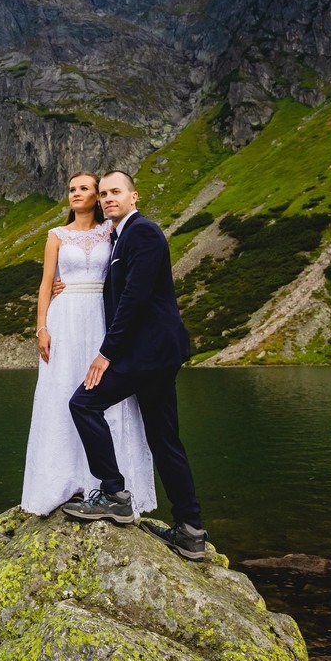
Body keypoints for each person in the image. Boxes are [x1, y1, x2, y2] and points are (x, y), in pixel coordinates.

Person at [61, 170, 210, 561]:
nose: (108, 198)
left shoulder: (141, 232)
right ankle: (190, 529)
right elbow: (113, 288)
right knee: (164, 438)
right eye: (104, 193)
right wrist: (66, 283)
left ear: (134, 196)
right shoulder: (120, 236)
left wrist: (106, 353)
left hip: (146, 353)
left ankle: (114, 494)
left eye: (116, 192)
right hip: (155, 353)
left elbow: (135, 298)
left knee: (83, 403)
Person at [20, 171, 156, 517]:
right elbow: (46, 284)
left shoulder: (111, 232)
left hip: (100, 316)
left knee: (102, 394)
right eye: (71, 189)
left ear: (97, 196)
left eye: (84, 189)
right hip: (64, 319)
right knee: (62, 390)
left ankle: (111, 485)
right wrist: (41, 328)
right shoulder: (56, 236)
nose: (75, 194)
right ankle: (64, 481)